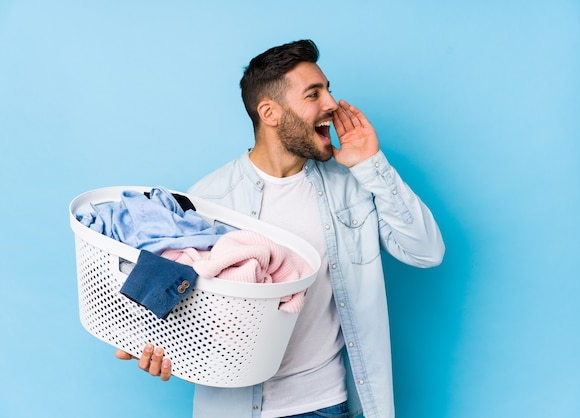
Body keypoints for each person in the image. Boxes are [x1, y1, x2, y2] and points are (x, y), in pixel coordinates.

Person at [116, 39, 445, 418]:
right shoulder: (209, 199)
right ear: (270, 112)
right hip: (235, 408)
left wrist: (371, 165)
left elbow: (426, 251)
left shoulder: (353, 185)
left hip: (326, 405)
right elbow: (186, 301)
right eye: (313, 94)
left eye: (328, 90)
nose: (332, 104)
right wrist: (157, 345)